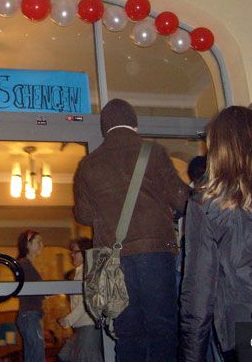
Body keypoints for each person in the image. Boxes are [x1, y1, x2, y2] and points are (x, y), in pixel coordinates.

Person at [74, 98, 189, 361]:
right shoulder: (153, 152)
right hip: (155, 252)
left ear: (105, 128)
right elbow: (181, 199)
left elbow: (84, 215)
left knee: (128, 333)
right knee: (163, 328)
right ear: (134, 124)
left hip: (114, 260)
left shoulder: (88, 164)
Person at [180, 106, 252, 361]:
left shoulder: (207, 204)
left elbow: (198, 293)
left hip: (246, 325)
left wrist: (191, 356)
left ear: (218, 148)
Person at [57, 237, 103, 362]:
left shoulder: (86, 272)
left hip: (88, 325)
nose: (72, 255)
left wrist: (68, 320)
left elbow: (85, 302)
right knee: (67, 355)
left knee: (85, 356)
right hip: (84, 326)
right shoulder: (81, 272)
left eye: (75, 252)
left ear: (85, 253)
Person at [16, 229, 46, 362]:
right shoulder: (24, 264)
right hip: (29, 315)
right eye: (38, 241)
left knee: (33, 354)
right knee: (37, 353)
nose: (42, 245)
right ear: (27, 244)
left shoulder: (27, 265)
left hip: (29, 315)